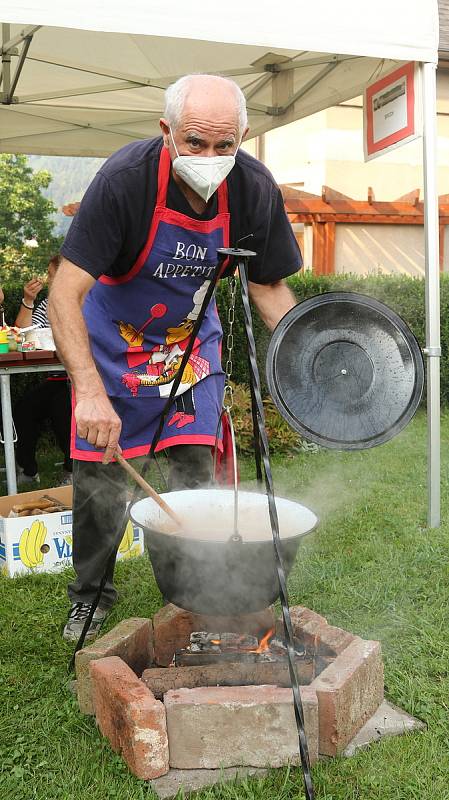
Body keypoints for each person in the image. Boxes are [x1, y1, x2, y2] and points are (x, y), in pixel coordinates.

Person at [48, 74, 302, 641]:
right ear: (167, 132)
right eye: (194, 142)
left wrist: (306, 363)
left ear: (243, 136)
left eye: (225, 145)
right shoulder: (125, 181)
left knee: (195, 473)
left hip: (191, 348)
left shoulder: (255, 190)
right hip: (115, 346)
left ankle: (202, 588)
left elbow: (268, 288)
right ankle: (90, 597)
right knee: (100, 483)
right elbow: (64, 291)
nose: (210, 158)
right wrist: (88, 390)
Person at [13, 256, 73, 485]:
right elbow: (22, 333)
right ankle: (28, 470)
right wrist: (29, 300)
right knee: (24, 409)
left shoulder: (88, 300)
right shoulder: (49, 303)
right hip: (56, 377)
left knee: (62, 405)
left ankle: (72, 469)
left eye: (50, 275)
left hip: (82, 380)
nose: (47, 280)